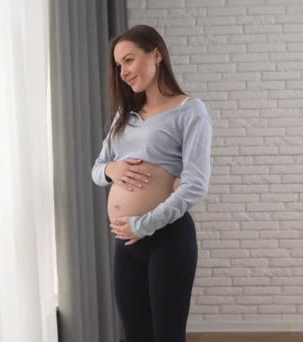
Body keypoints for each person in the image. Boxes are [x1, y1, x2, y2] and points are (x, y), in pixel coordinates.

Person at [91, 25, 212, 342]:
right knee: (134, 335)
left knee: (167, 336)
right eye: (119, 66)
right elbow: (97, 169)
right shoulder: (124, 115)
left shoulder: (190, 110)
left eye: (129, 60)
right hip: (125, 242)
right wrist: (112, 170)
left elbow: (195, 185)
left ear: (156, 54)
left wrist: (144, 224)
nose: (123, 72)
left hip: (167, 239)